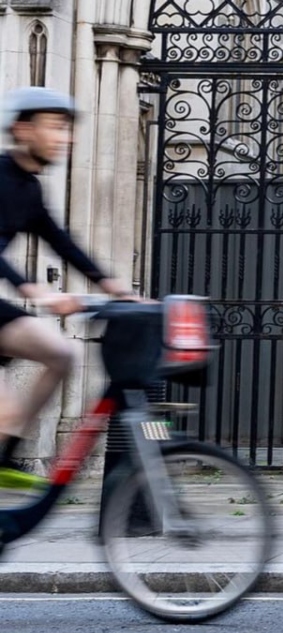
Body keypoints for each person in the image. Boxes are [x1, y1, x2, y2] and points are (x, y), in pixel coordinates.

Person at [0, 87, 136, 487]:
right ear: (23, 130)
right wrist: (34, 290)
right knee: (4, 412)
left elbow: (60, 241)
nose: (66, 137)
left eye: (67, 129)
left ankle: (6, 458)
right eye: (56, 127)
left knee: (61, 353)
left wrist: (114, 286)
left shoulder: (29, 188)